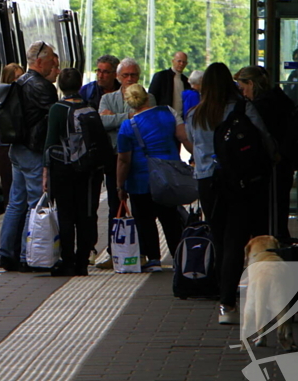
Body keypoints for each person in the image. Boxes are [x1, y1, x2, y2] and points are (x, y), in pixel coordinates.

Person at [186, 62, 274, 324]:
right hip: (238, 181)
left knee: (220, 238)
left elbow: (193, 146)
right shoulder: (242, 108)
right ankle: (233, 301)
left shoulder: (195, 114)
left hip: (207, 183)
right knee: (236, 239)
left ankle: (225, 304)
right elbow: (263, 138)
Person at [98, 58, 173, 261]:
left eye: (133, 75)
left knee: (149, 210)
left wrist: (116, 117)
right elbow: (102, 122)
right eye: (125, 75)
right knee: (116, 206)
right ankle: (116, 252)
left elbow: (145, 119)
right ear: (118, 77)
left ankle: (148, 254)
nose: (130, 79)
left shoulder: (150, 98)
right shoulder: (107, 98)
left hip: (143, 162)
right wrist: (130, 115)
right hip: (116, 157)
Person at [0, 42, 58, 272]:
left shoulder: (18, 82)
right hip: (32, 151)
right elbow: (52, 121)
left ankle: (5, 254)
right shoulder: (42, 86)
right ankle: (26, 255)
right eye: (51, 59)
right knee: (34, 205)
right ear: (40, 61)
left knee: (15, 204)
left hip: (16, 149)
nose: (54, 63)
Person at [43, 68, 109, 276]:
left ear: (60, 86)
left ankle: (68, 260)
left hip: (63, 170)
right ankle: (82, 262)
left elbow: (50, 143)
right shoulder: (90, 108)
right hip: (89, 171)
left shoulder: (57, 109)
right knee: (86, 215)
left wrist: (46, 174)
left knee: (66, 215)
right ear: (80, 85)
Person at [116, 84, 189, 272]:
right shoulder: (168, 112)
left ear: (129, 103)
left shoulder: (127, 126)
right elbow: (183, 136)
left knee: (145, 219)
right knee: (170, 218)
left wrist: (120, 185)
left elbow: (124, 160)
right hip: (167, 176)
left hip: (141, 180)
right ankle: (179, 257)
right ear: (147, 96)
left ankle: (154, 259)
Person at [235, 65, 298, 238]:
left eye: (243, 88)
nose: (242, 93)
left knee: (268, 218)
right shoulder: (281, 99)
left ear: (251, 83)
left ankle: (271, 253)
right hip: (284, 164)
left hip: (272, 168)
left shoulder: (261, 106)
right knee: (279, 215)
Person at [0, 63, 25, 201]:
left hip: (19, 146)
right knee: (10, 190)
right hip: (6, 146)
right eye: (16, 78)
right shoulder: (2, 96)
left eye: (21, 77)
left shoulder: (24, 95)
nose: (19, 81)